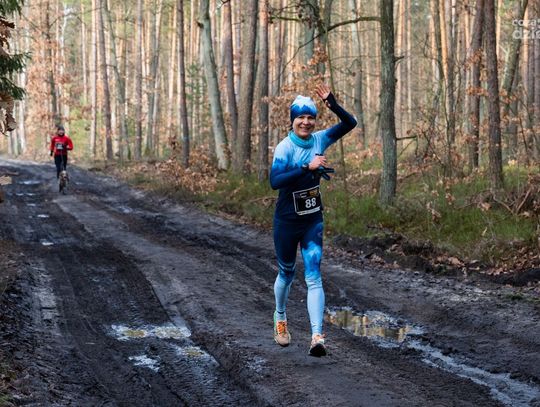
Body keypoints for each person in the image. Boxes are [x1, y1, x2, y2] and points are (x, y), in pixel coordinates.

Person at [269, 84, 357, 357]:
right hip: (287, 221)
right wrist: (306, 167)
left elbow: (350, 123)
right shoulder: (284, 148)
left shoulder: (320, 139)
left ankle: (317, 336)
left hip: (312, 220)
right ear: (292, 120)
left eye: (311, 117)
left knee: (314, 276)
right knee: (287, 273)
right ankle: (280, 317)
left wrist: (333, 105)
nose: (306, 122)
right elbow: (275, 181)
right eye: (301, 117)